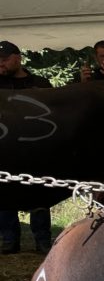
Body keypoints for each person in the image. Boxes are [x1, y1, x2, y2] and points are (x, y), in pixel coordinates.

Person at [0, 40, 54, 254]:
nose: (0, 64)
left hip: (35, 150)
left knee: (39, 194)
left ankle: (42, 240)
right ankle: (9, 240)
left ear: (17, 58)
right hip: (4, 151)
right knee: (3, 194)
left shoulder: (40, 84)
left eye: (4, 60)